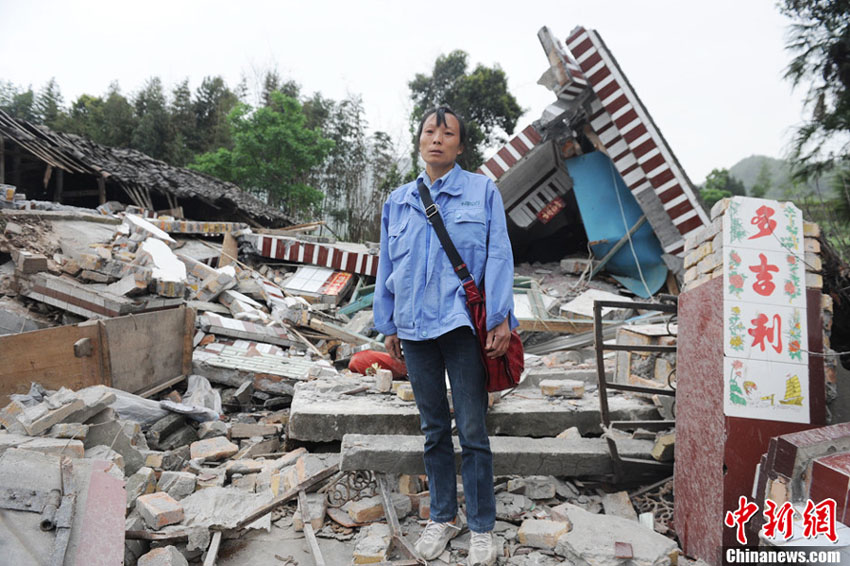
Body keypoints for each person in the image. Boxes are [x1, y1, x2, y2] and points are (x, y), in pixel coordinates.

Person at [373, 106, 517, 566]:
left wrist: (499, 317)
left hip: (460, 327)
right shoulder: (398, 200)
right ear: (419, 140)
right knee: (434, 428)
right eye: (429, 130)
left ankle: (481, 527)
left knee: (473, 429)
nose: (437, 138)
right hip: (414, 329)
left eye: (447, 132)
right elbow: (387, 266)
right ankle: (442, 516)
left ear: (460, 145)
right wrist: (389, 322)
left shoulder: (482, 192)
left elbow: (498, 256)